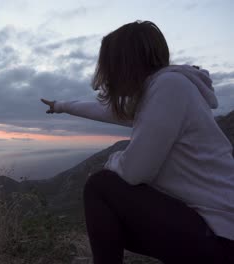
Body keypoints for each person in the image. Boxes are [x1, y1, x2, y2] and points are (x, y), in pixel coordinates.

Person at [41, 20, 234, 264]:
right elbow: (106, 110)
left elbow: (135, 172)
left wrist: (112, 161)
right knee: (111, 214)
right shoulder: (160, 91)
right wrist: (61, 106)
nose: (107, 71)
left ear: (125, 62)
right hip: (210, 226)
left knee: (100, 186)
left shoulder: (169, 87)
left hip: (222, 235)